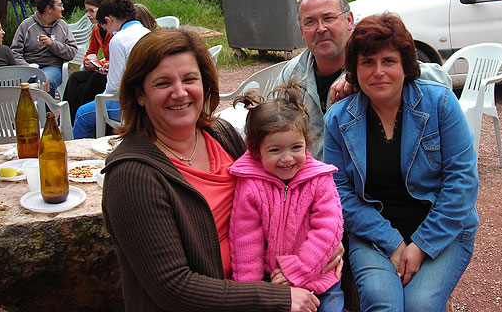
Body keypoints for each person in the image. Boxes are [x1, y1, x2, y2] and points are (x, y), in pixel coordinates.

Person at [101, 27, 340, 312]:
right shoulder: (133, 177)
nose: (180, 93)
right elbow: (173, 287)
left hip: (270, 281)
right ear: (140, 94)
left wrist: (325, 249)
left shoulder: (220, 135)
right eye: (163, 83)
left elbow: (291, 192)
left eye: (190, 79)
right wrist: (274, 299)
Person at [323, 13, 479, 312]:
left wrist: (421, 246)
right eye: (368, 62)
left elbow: (462, 181)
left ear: (405, 65)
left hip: (443, 230)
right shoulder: (339, 120)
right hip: (372, 233)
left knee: (420, 305)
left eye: (388, 61)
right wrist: (393, 243)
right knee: (384, 304)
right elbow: (338, 192)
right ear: (354, 69)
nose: (378, 72)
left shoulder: (440, 104)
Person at [276, 0, 452, 160]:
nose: (321, 28)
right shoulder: (293, 72)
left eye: (328, 18)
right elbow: (273, 125)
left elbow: (442, 81)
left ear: (349, 20)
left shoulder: (373, 60)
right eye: (310, 22)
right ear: (301, 32)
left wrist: (357, 75)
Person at [229, 80, 344, 312]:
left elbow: (328, 229)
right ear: (255, 151)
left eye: (296, 147)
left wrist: (298, 270)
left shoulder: (319, 179)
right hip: (272, 282)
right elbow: (245, 242)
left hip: (318, 277)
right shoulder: (250, 185)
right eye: (275, 150)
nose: (287, 158)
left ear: (306, 144)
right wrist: (252, 294)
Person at [72, 0, 149, 139]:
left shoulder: (118, 39)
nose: (108, 33)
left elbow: (113, 86)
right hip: (147, 98)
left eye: (105, 28)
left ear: (108, 20)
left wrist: (101, 102)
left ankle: (82, 156)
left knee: (82, 114)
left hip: (128, 104)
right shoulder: (147, 33)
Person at [10, 0, 78, 97]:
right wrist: (26, 66)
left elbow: (72, 52)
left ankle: (47, 113)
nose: (63, 8)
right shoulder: (27, 25)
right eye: (59, 5)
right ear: (49, 9)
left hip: (52, 67)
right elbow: (14, 52)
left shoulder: (62, 26)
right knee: (23, 84)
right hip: (28, 67)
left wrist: (52, 44)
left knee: (44, 82)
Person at [63, 0, 112, 122]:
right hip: (102, 68)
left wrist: (98, 63)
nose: (89, 15)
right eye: (87, 11)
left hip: (111, 71)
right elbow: (90, 51)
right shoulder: (96, 29)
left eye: (92, 11)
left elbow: (119, 60)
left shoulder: (112, 29)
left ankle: (82, 118)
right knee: (75, 77)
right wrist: (88, 62)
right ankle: (66, 118)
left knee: (91, 82)